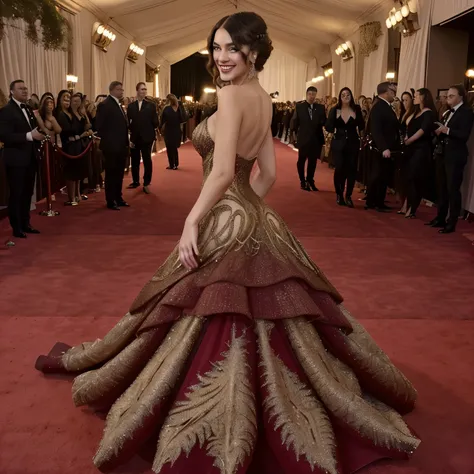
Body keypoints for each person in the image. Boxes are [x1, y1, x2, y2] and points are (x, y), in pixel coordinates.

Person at [36, 12, 420, 474]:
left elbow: (221, 172)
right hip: (253, 215)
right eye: (215, 48)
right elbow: (269, 175)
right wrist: (246, 212)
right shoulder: (259, 95)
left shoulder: (233, 95)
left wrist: (196, 220)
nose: (220, 58)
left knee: (200, 309)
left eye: (230, 49)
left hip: (224, 212)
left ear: (252, 52)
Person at [428, 84, 474, 233]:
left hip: (455, 156)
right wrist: (439, 131)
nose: (448, 98)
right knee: (441, 187)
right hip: (443, 153)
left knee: (452, 189)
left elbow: (463, 135)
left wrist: (446, 130)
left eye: (451, 96)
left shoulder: (466, 112)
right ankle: (440, 217)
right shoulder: (447, 112)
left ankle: (451, 222)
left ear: (461, 96)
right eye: (447, 96)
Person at [0, 80, 43, 238]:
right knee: (17, 193)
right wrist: (29, 136)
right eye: (20, 88)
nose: (25, 91)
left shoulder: (29, 108)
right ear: (11, 91)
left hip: (30, 157)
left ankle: (26, 222)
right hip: (16, 158)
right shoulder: (6, 110)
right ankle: (16, 227)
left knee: (27, 193)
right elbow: (4, 135)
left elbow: (34, 130)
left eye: (25, 88)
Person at [325, 87, 365, 207]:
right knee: (340, 168)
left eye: (348, 95)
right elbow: (328, 127)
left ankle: (348, 195)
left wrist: (363, 139)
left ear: (351, 96)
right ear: (340, 97)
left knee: (352, 169)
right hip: (338, 142)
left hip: (353, 142)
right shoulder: (335, 110)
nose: (346, 97)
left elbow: (362, 126)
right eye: (343, 95)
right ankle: (339, 194)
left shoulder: (356, 109)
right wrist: (332, 121)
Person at [365, 82, 401, 212]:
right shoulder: (379, 106)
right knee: (377, 175)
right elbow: (376, 130)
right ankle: (373, 201)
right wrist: (384, 147)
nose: (394, 93)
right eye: (393, 91)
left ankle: (378, 201)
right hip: (381, 149)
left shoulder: (384, 106)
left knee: (383, 175)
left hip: (386, 148)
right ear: (386, 92)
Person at [96, 81, 130, 210]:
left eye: (122, 89)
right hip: (111, 146)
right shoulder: (105, 105)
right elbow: (100, 125)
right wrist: (110, 139)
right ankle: (111, 200)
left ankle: (118, 197)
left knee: (119, 173)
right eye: (119, 89)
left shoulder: (118, 104)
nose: (121, 91)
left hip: (121, 145)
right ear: (112, 90)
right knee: (111, 174)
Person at [402, 88, 436, 219]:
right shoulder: (416, 112)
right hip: (411, 149)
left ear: (423, 97)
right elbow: (408, 126)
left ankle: (412, 207)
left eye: (416, 96)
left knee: (416, 179)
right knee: (409, 178)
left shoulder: (428, 113)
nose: (414, 97)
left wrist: (410, 140)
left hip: (421, 150)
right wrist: (406, 138)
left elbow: (423, 130)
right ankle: (408, 204)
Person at [291, 86, 326, 191]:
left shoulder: (320, 108)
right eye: (310, 94)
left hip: (315, 139)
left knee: (313, 162)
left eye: (313, 94)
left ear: (316, 95)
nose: (311, 96)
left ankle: (310, 180)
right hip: (303, 139)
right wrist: (293, 136)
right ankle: (302, 181)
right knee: (301, 160)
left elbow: (324, 121)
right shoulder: (299, 106)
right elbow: (295, 122)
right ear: (306, 94)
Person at [127, 82, 159, 194]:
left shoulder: (151, 106)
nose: (144, 91)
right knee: (134, 160)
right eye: (142, 89)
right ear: (137, 91)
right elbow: (129, 123)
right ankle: (135, 181)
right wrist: (131, 138)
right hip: (135, 138)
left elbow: (155, 122)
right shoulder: (130, 107)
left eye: (145, 89)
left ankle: (146, 183)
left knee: (147, 160)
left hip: (147, 137)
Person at [160, 94, 183, 170]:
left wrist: (160, 129)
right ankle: (176, 164)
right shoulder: (178, 108)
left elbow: (162, 120)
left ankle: (171, 164)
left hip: (168, 130)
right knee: (174, 148)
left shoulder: (166, 109)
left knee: (169, 148)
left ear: (168, 100)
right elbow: (182, 119)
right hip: (176, 130)